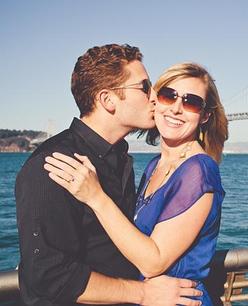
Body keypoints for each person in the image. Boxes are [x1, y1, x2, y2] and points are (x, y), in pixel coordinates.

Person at [15, 44, 202, 306]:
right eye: (144, 87)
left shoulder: (119, 157)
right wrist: (144, 293)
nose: (154, 97)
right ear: (107, 100)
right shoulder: (53, 165)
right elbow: (49, 276)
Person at [43, 62, 228, 305]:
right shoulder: (154, 166)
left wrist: (95, 197)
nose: (176, 108)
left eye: (191, 102)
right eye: (168, 96)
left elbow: (154, 261)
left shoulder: (199, 171)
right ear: (155, 101)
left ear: (204, 116)